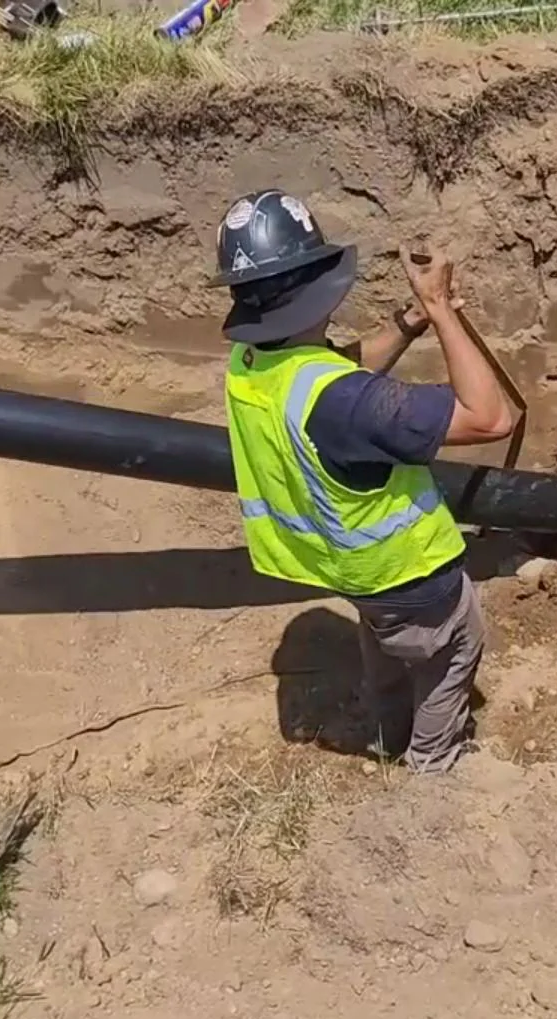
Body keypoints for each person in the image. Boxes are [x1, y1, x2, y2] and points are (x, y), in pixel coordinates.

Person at [215, 189, 517, 775]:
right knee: (453, 651)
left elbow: (332, 368)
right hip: (415, 574)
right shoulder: (342, 404)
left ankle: (383, 735)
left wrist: (412, 321)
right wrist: (444, 311)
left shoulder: (254, 364)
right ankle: (433, 767)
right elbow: (490, 418)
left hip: (351, 571)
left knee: (384, 643)